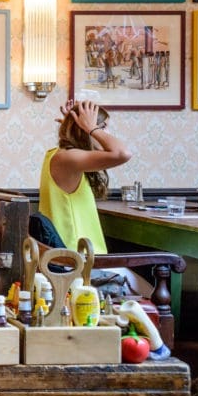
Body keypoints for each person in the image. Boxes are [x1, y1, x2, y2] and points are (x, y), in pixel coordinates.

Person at [37, 99, 149, 295]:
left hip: (78, 261)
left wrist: (78, 127)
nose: (105, 134)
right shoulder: (66, 158)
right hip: (79, 265)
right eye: (103, 127)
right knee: (150, 291)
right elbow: (123, 153)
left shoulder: (62, 157)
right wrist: (91, 128)